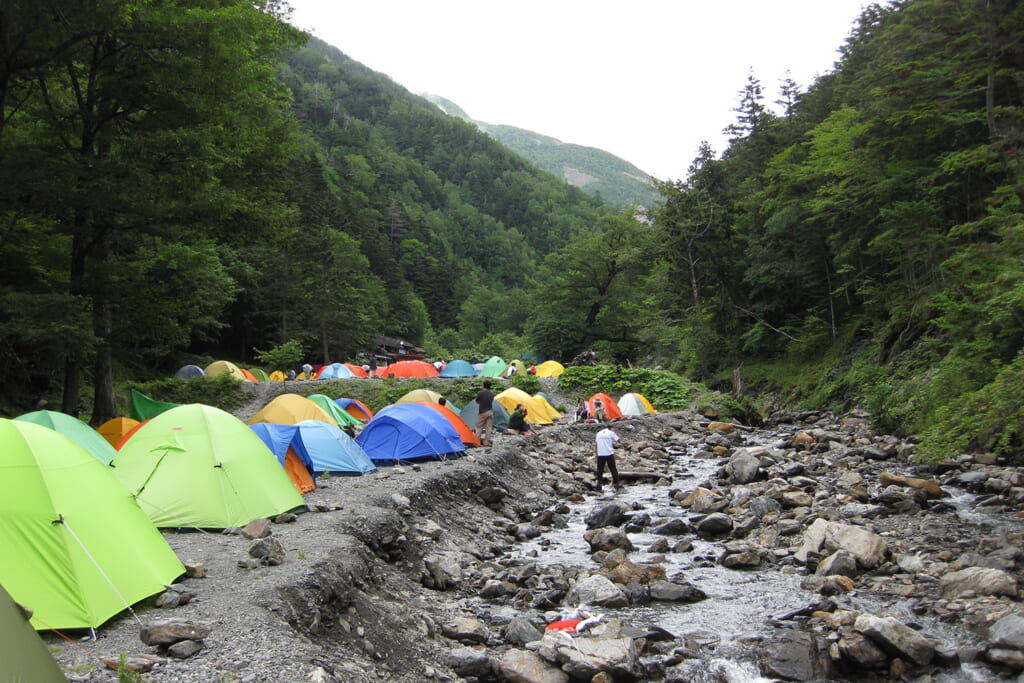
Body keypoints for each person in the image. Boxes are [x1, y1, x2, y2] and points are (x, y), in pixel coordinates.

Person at [595, 426, 620, 490]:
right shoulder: (611, 433)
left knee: (600, 469)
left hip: (600, 453)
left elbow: (596, 444)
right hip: (609, 453)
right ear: (611, 429)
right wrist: (615, 433)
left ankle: (599, 483)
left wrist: (596, 453)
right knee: (612, 468)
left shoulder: (598, 433)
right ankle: (616, 482)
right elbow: (618, 440)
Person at [475, 379, 494, 446]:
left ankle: (477, 441)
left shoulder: (480, 393)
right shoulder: (492, 394)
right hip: (490, 411)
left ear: (483, 385)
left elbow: (477, 401)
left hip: (483, 412)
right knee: (488, 427)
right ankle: (486, 442)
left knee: (479, 426)